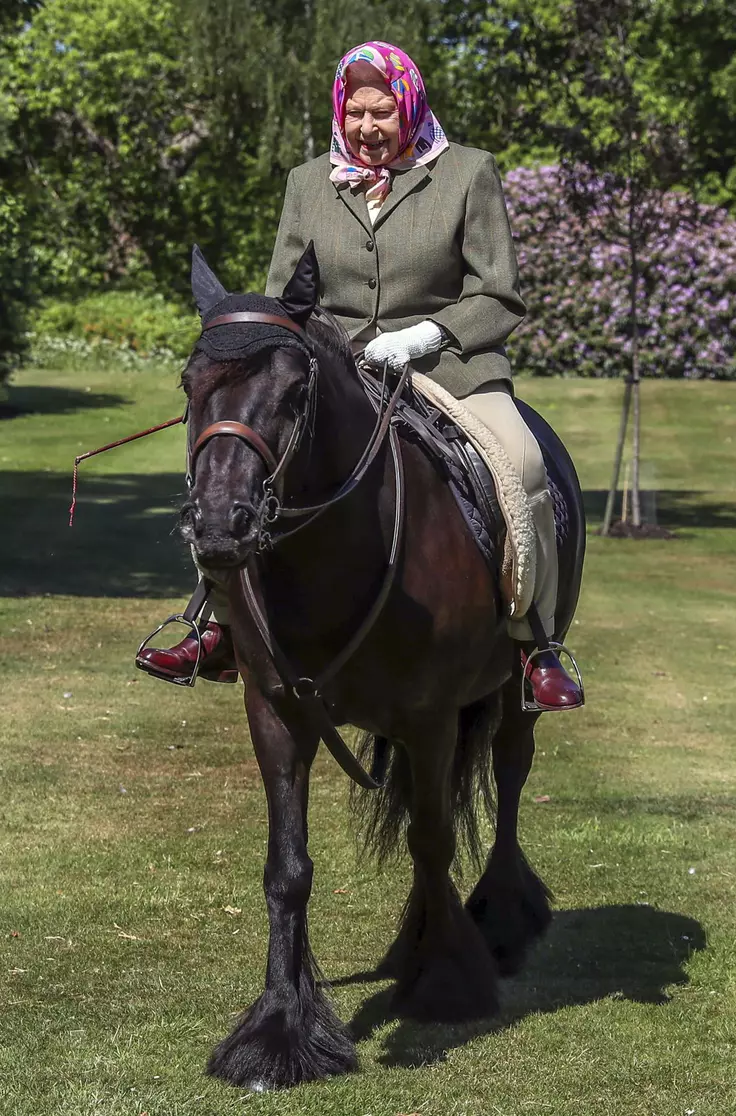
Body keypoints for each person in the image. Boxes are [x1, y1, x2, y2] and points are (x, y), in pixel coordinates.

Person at [137, 40, 582, 710]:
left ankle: (534, 642)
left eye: (383, 112)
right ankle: (218, 624)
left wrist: (424, 337)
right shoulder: (307, 182)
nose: (369, 127)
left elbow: (499, 295)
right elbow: (284, 297)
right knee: (239, 463)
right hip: (333, 370)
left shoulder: (466, 174)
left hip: (450, 366)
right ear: (339, 113)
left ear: (410, 106)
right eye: (356, 113)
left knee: (521, 462)